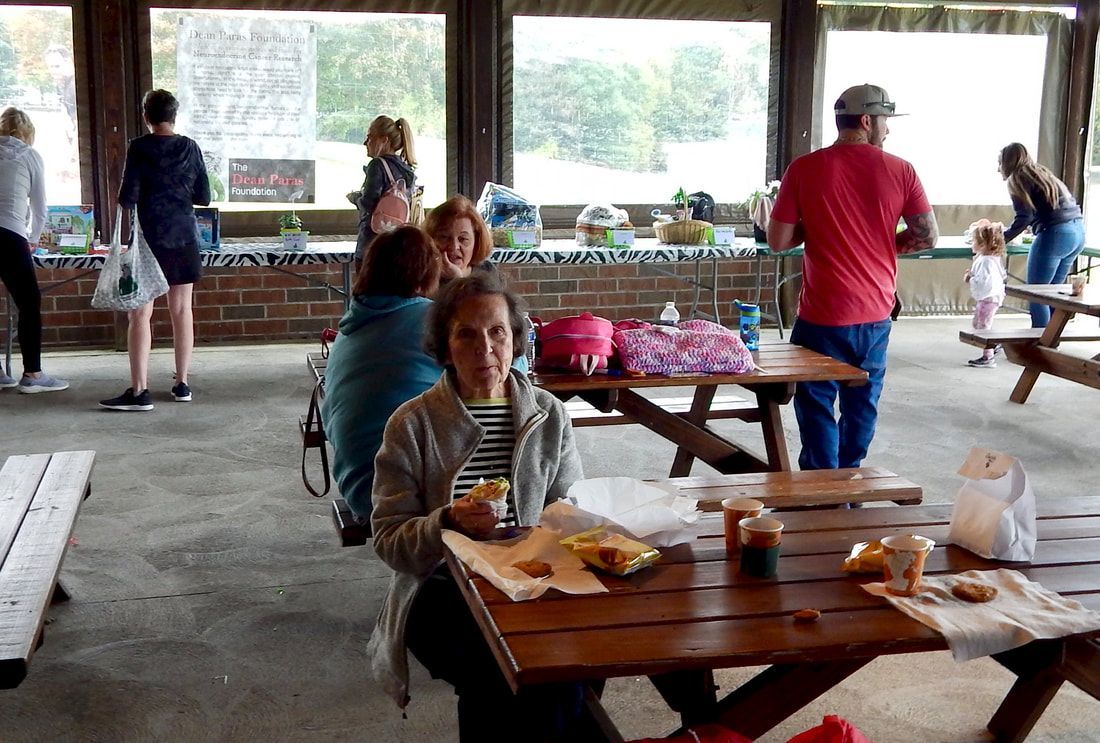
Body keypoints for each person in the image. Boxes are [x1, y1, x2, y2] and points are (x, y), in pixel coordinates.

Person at [367, 272, 585, 741]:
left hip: (533, 583)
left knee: (565, 669)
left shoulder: (548, 414)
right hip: (440, 588)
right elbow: (389, 540)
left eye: (497, 332)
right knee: (497, 672)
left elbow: (570, 511)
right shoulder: (412, 425)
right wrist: (447, 521)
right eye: (466, 334)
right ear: (445, 348)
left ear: (516, 340)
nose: (484, 348)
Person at [768, 83, 938, 471]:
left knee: (815, 402)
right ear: (866, 120)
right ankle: (849, 479)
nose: (888, 130)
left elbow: (778, 241)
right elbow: (928, 235)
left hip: (821, 315)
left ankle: (823, 485)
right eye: (885, 121)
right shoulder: (901, 170)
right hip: (875, 312)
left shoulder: (803, 168)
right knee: (863, 402)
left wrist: (819, 227)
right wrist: (882, 243)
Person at [320, 226, 443, 524]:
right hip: (396, 494)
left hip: (359, 486)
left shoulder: (353, 323)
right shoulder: (430, 319)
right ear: (427, 274)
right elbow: (510, 368)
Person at [100, 89, 210, 411]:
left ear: (146, 116)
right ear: (174, 116)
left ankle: (140, 391)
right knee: (182, 310)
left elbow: (127, 197)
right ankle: (182, 383)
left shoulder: (139, 147)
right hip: (184, 236)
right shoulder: (190, 147)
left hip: (149, 240)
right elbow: (203, 196)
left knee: (140, 314)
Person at [0, 108, 68, 393]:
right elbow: (39, 208)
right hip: (11, 234)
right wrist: (34, 239)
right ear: (28, 134)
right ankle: (33, 374)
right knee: (29, 302)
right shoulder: (29, 156)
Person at [999, 142, 1085, 328]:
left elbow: (1024, 217)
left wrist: (1001, 239)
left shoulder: (1017, 178)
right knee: (1053, 293)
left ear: (1007, 163)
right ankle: (1053, 338)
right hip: (1077, 232)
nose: (998, 169)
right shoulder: (1042, 172)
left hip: (1056, 235)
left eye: (1000, 163)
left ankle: (1040, 340)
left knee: (1037, 294)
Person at [347, 115, 417, 268]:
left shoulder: (377, 166)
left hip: (372, 244)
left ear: (384, 140)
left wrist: (355, 198)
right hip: (397, 244)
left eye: (370, 137)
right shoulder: (406, 169)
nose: (365, 142)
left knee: (368, 283)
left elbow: (368, 203)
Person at [964, 220, 1008, 369]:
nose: (972, 244)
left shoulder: (986, 261)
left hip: (988, 298)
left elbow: (985, 282)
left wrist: (970, 278)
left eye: (974, 241)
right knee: (978, 324)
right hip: (990, 297)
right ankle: (993, 344)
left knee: (982, 326)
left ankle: (988, 356)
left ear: (982, 244)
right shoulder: (991, 259)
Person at [424, 195, 495, 282]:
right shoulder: (423, 276)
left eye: (463, 239)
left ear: (476, 241)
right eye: (444, 237)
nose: (454, 247)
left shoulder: (487, 271)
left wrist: (457, 279)